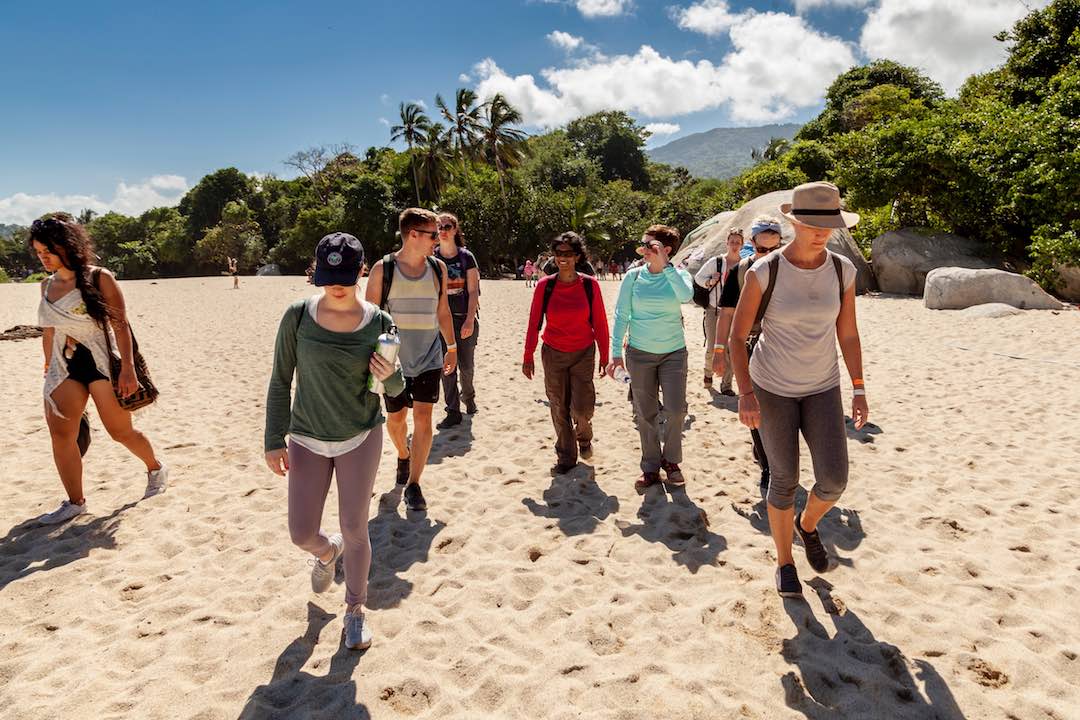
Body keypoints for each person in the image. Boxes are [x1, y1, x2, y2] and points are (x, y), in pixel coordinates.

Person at [728, 182, 869, 599]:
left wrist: (859, 388)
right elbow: (738, 337)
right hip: (771, 386)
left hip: (822, 385)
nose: (824, 231)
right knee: (784, 479)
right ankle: (785, 563)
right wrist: (746, 393)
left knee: (833, 480)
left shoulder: (843, 269)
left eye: (831, 224)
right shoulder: (765, 271)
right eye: (814, 224)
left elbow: (848, 334)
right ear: (795, 223)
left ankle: (807, 525)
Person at [264, 232, 403, 651]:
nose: (336, 284)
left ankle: (356, 611)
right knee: (301, 532)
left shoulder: (379, 322)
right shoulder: (297, 316)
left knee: (354, 526)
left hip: (360, 434)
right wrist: (274, 438)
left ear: (361, 271)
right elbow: (279, 381)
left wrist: (388, 375)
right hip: (306, 436)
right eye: (328, 276)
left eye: (344, 275)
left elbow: (396, 388)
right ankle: (327, 553)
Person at [30, 216, 168, 525]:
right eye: (39, 252)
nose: (43, 258)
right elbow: (49, 331)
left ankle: (155, 467)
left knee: (120, 431)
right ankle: (75, 502)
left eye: (48, 251)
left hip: (102, 365)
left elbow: (121, 325)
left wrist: (128, 369)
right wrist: (48, 367)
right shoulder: (46, 285)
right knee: (61, 434)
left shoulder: (99, 277)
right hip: (64, 367)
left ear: (68, 246)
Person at [365, 208, 457, 512]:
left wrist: (452, 346)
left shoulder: (438, 268)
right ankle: (403, 454)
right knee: (395, 421)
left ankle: (415, 484)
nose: (438, 238)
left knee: (423, 419)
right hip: (394, 363)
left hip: (429, 356)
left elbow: (442, 310)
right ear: (413, 235)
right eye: (434, 233)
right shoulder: (383, 270)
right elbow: (370, 318)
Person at [606, 225, 694, 494]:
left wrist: (666, 266)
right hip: (639, 353)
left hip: (674, 353)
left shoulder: (678, 275)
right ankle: (650, 467)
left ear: (666, 250)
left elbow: (686, 297)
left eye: (650, 245)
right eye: (643, 243)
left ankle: (672, 460)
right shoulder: (633, 277)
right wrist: (615, 355)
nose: (644, 249)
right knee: (645, 413)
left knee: (676, 409)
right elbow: (622, 315)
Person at [523, 232, 610, 474]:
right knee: (558, 406)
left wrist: (605, 355)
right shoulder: (545, 285)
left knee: (582, 408)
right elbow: (534, 322)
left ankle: (584, 436)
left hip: (583, 352)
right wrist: (527, 355)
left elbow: (600, 322)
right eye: (559, 254)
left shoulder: (590, 285)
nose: (563, 258)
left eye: (568, 254)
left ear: (578, 256)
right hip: (553, 353)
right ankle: (566, 456)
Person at [713, 217, 784, 494]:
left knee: (780, 408)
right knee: (753, 404)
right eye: (762, 250)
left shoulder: (791, 269)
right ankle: (767, 465)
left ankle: (770, 455)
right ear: (751, 244)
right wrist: (719, 349)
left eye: (773, 250)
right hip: (750, 345)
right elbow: (727, 313)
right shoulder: (742, 271)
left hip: (782, 346)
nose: (767, 256)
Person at [434, 213, 480, 427]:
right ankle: (453, 411)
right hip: (440, 321)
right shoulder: (431, 257)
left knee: (466, 366)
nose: (443, 229)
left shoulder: (466, 257)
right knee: (447, 367)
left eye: (447, 226)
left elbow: (473, 291)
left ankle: (468, 397)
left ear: (455, 229)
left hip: (463, 317)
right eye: (439, 226)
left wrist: (470, 320)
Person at [695, 228, 743, 392]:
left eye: (738, 242)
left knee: (730, 349)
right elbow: (698, 278)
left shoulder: (744, 264)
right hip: (714, 310)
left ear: (742, 245)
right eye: (732, 242)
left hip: (735, 313)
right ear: (727, 243)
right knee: (712, 347)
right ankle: (708, 373)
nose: (734, 245)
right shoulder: (716, 262)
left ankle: (726, 385)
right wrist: (709, 281)